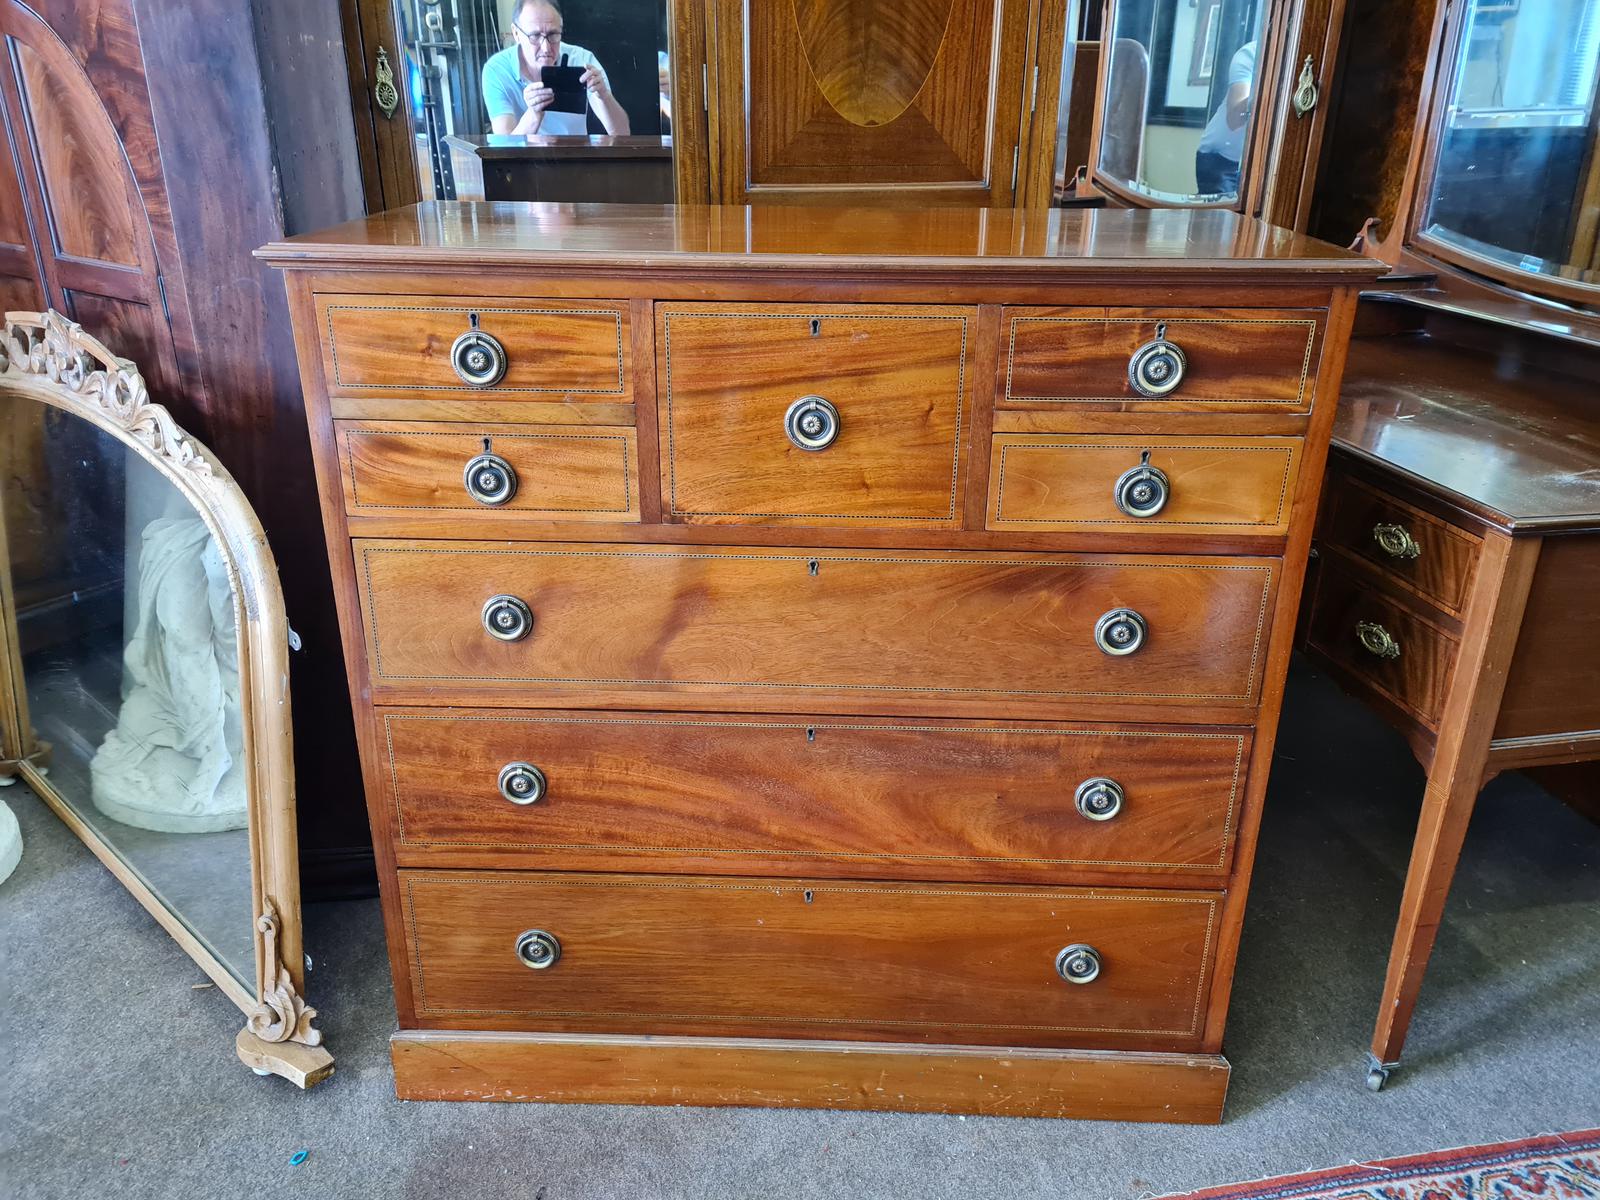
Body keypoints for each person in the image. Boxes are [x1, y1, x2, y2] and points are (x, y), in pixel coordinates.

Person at [482, 0, 629, 136]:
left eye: (553, 34)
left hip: (573, 159)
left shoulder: (581, 59)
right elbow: (504, 148)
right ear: (516, 33)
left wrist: (604, 96)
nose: (546, 48)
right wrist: (534, 114)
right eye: (535, 36)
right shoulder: (497, 70)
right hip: (523, 162)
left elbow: (622, 133)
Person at [1193, 40, 1255, 197]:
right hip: (1221, 161)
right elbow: (1235, 119)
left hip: (1258, 164)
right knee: (1218, 220)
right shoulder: (1250, 54)